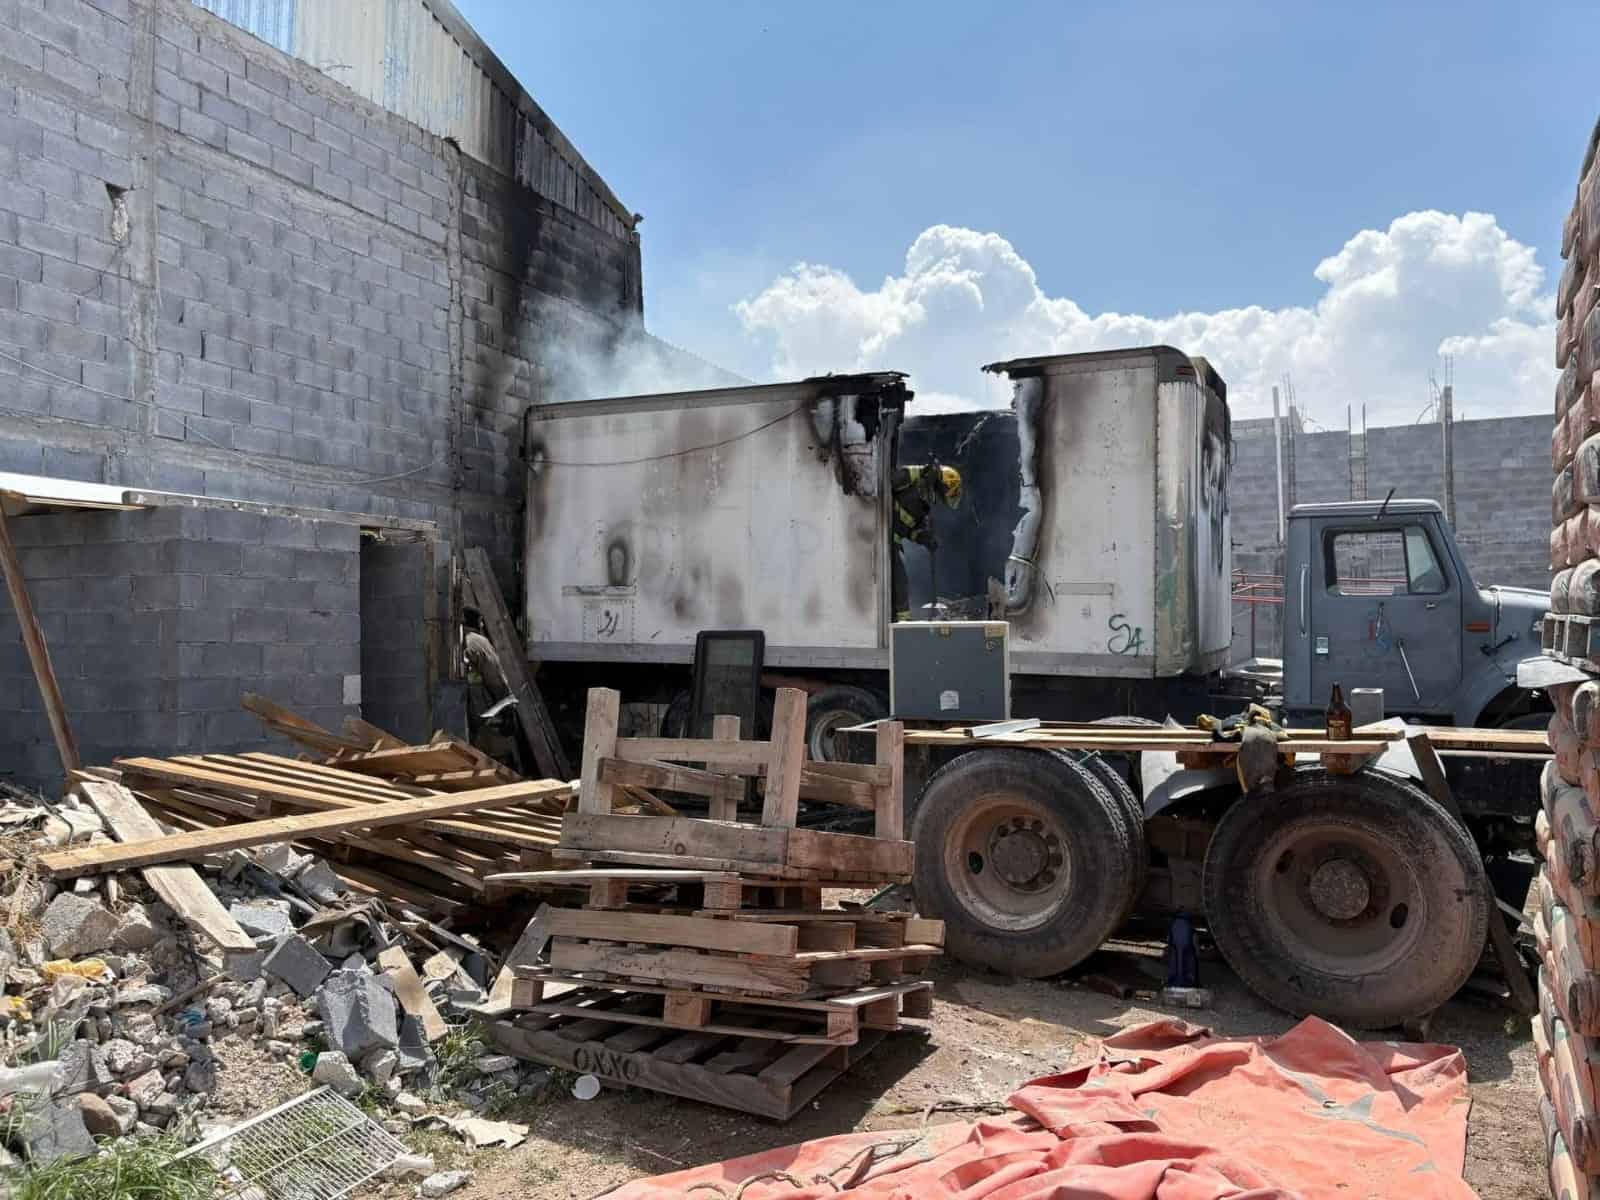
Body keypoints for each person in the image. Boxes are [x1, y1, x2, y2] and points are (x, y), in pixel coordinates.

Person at [891, 463, 962, 621]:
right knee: (900, 582)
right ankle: (903, 624)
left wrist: (925, 538)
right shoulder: (913, 474)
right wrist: (922, 473)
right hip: (883, 537)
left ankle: (902, 622)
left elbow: (910, 530)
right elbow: (887, 484)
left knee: (900, 583)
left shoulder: (923, 507)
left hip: (893, 542)